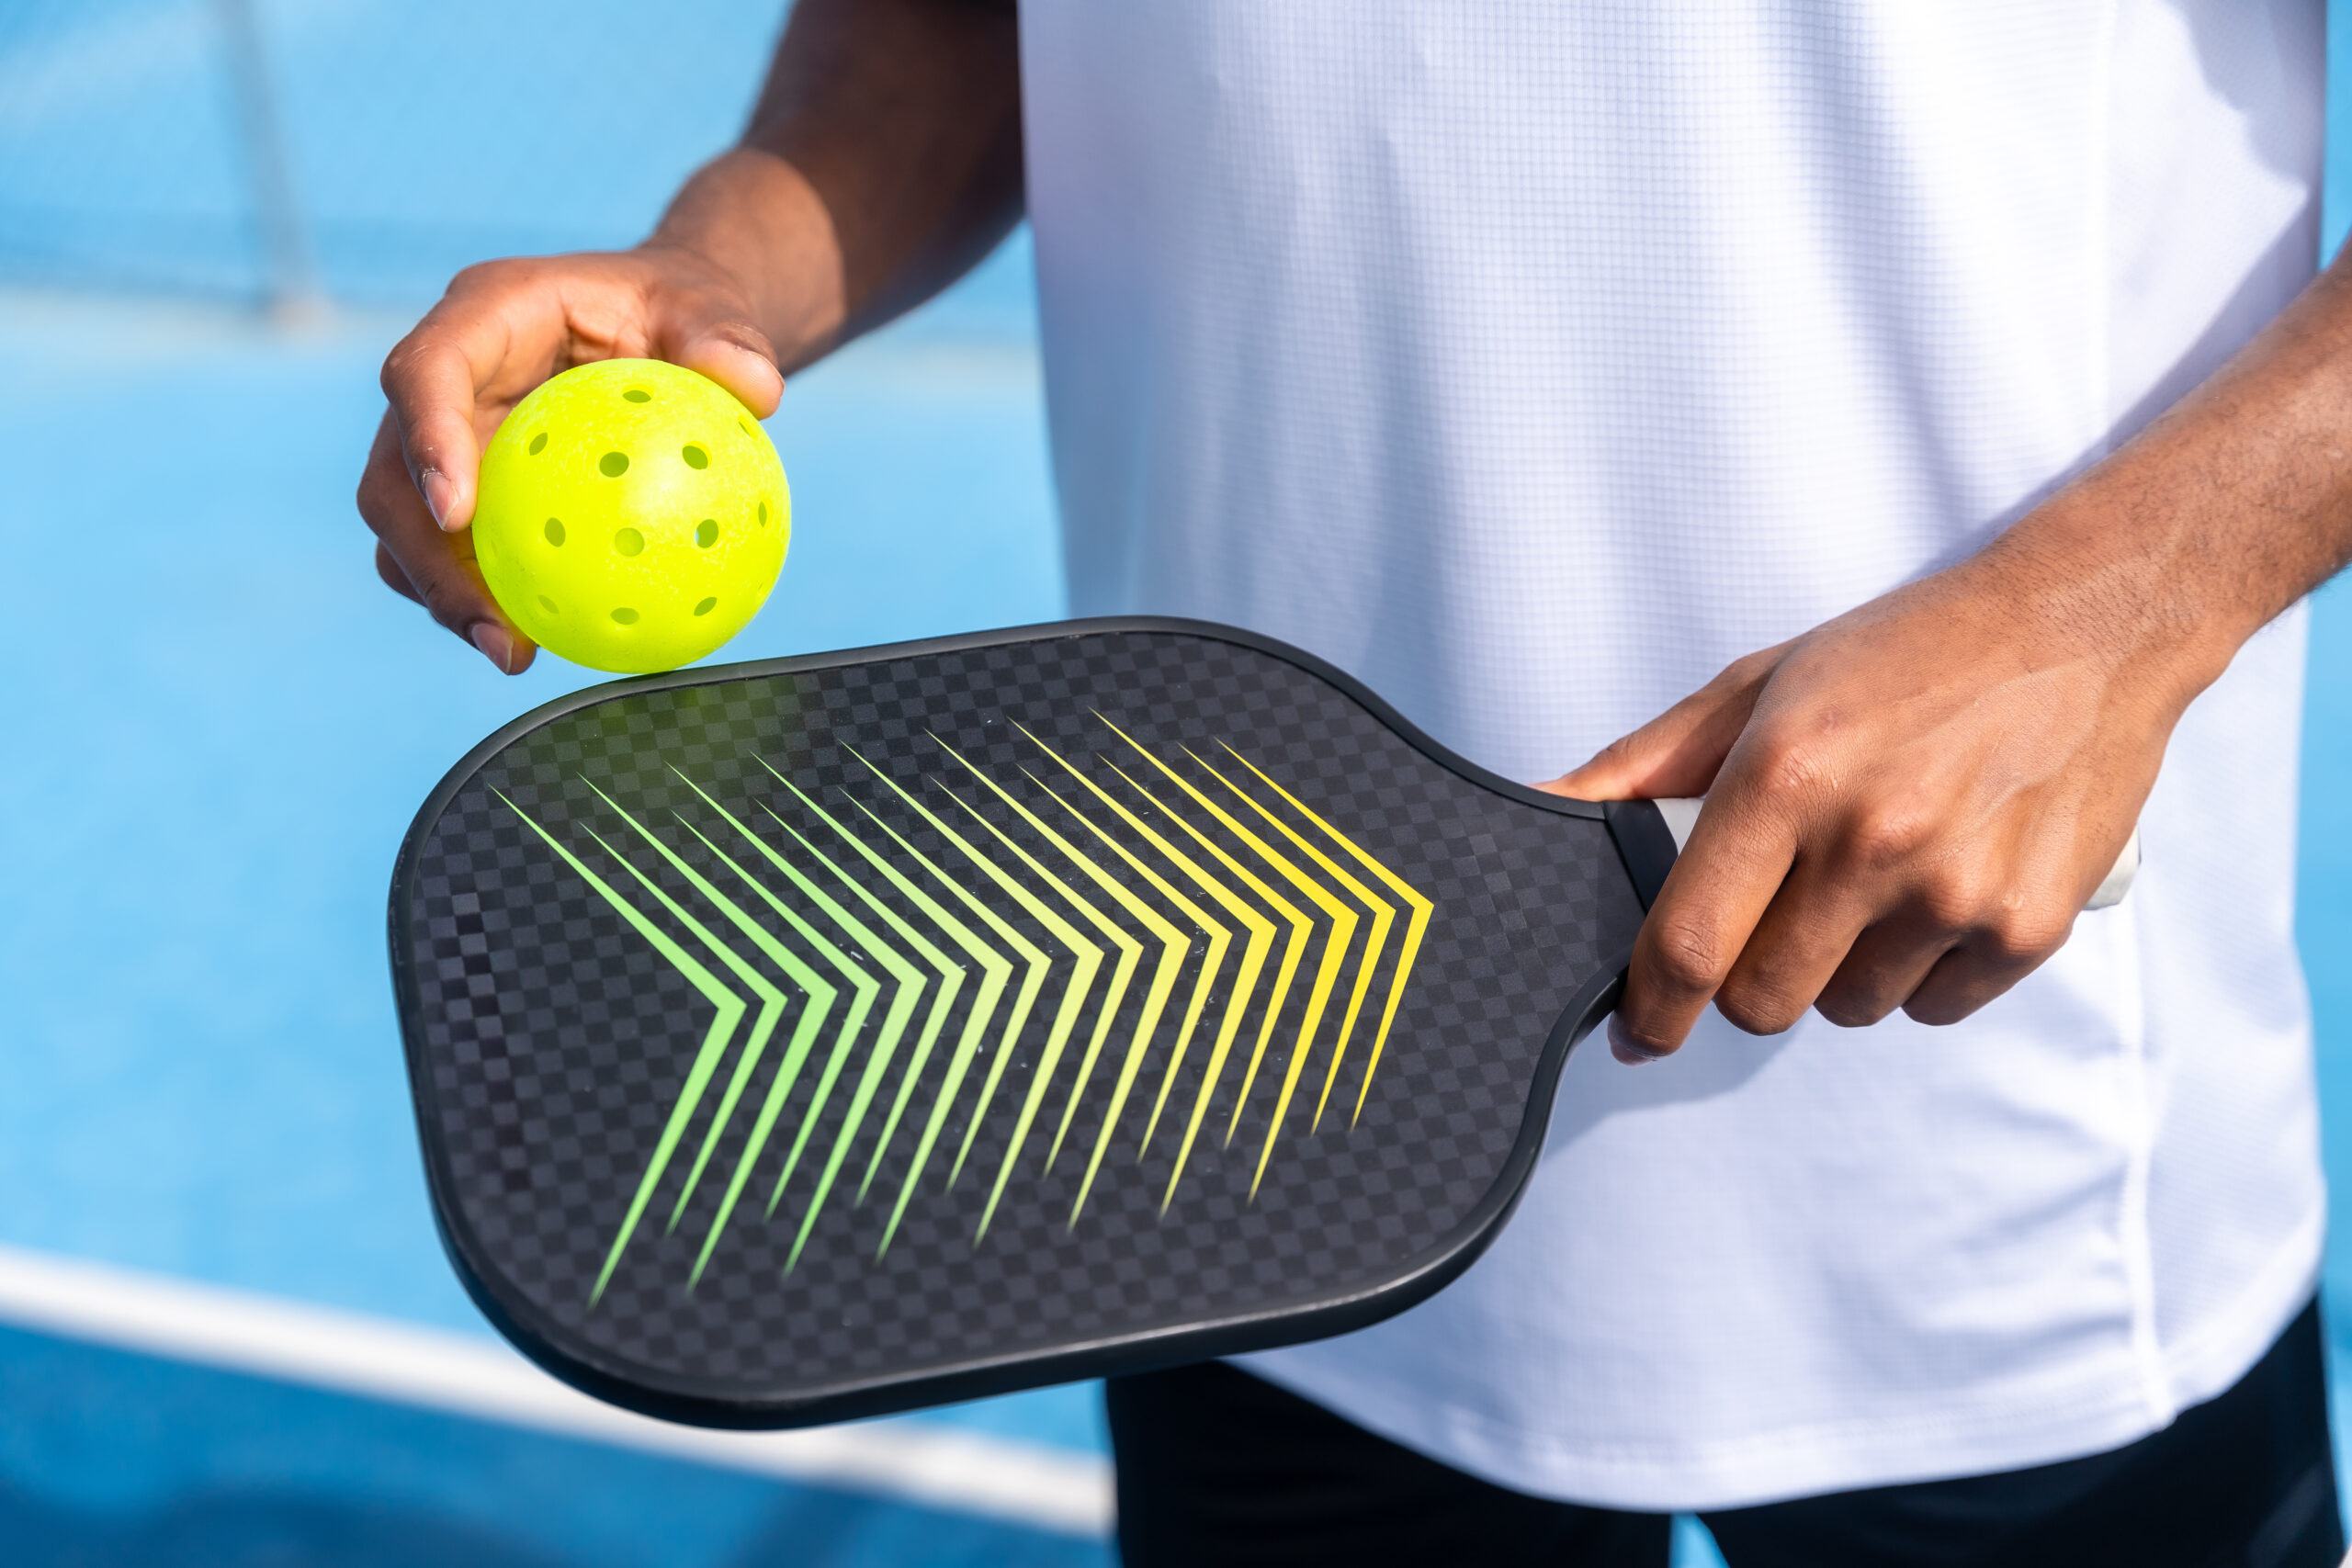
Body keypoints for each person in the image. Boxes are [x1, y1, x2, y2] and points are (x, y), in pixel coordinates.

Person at [356, 2, 2346, 1562]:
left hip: (1995, 1214)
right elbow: (950, 25)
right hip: (1219, 1128)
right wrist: (719, 272)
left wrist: (2106, 612)